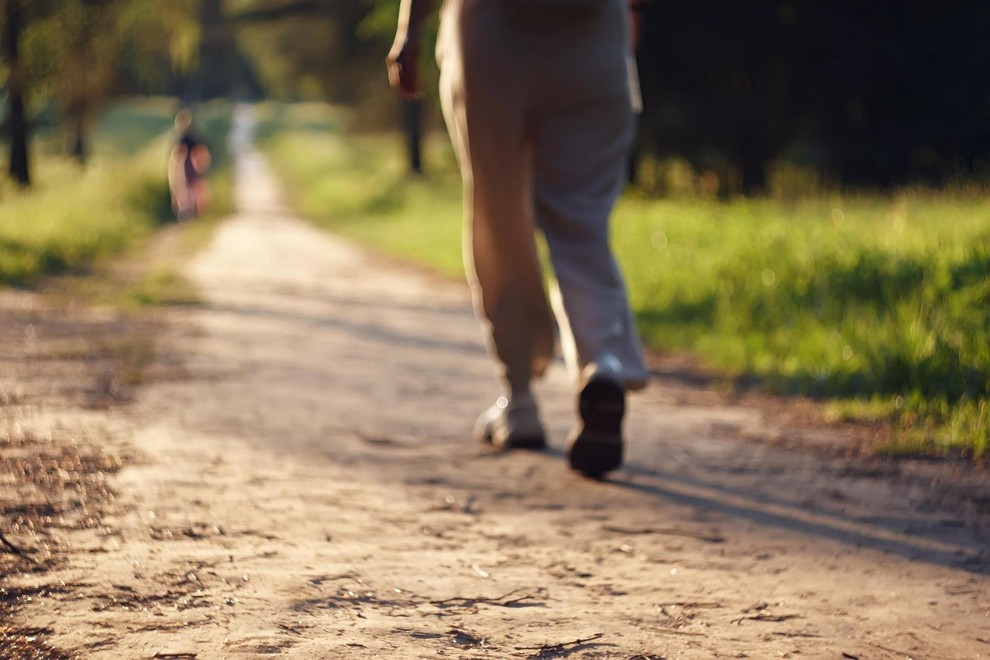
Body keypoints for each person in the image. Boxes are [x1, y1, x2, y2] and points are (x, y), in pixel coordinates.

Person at [388, 0, 649, 477]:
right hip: (593, 34)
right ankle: (601, 362)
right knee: (582, 220)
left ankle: (521, 402)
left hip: (491, 33)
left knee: (499, 213)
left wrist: (410, 31)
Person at [168, 109, 211, 219]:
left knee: (186, 188)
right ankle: (194, 209)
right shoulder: (192, 136)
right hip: (192, 164)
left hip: (187, 165)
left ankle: (188, 209)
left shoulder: (184, 138)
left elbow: (178, 154)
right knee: (192, 187)